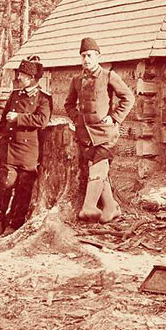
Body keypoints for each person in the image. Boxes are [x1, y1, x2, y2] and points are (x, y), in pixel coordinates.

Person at [64, 37, 133, 222]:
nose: (86, 60)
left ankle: (88, 207)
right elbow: (68, 104)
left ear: (97, 56)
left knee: (97, 169)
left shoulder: (108, 76)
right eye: (83, 56)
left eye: (89, 56)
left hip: (105, 133)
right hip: (85, 135)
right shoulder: (77, 80)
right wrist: (77, 118)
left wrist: (115, 117)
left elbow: (128, 98)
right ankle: (110, 208)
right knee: (98, 171)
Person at [0, 55, 52, 236]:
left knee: (23, 190)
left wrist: (19, 118)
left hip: (28, 151)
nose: (19, 78)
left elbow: (42, 120)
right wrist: (5, 139)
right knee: (4, 185)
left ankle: (15, 223)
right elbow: (3, 121)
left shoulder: (43, 98)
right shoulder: (14, 95)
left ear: (32, 78)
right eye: (19, 74)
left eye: (23, 75)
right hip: (10, 149)